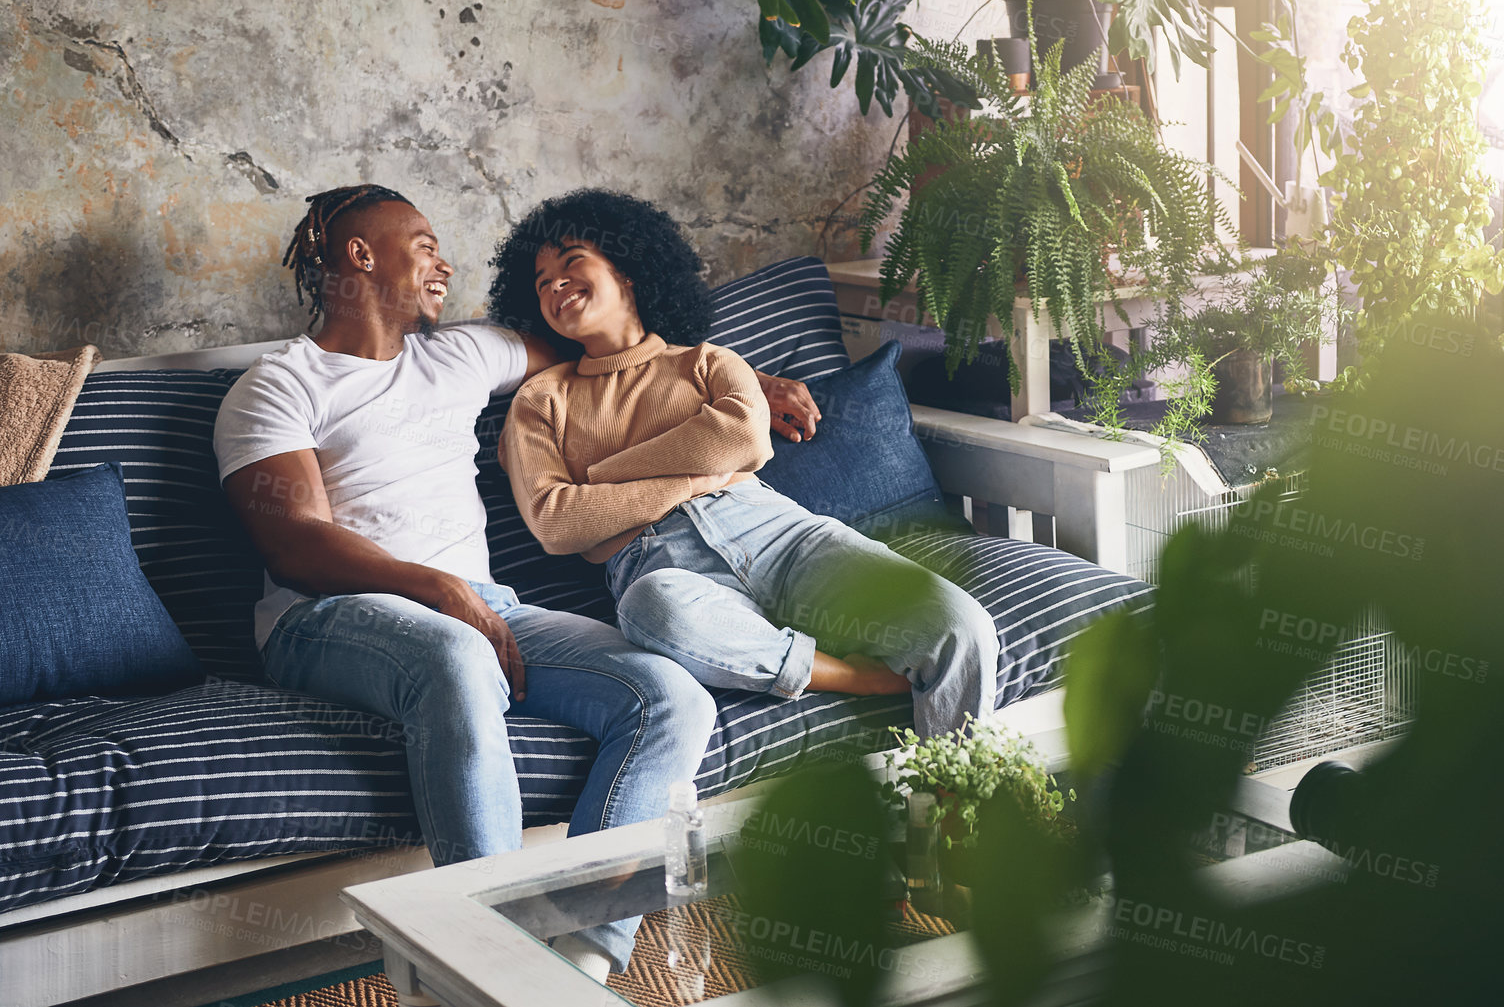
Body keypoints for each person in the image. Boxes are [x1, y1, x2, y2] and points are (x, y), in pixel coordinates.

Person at [212, 184, 820, 979]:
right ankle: (493, 970)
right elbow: (295, 543)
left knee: (672, 698)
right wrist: (440, 590)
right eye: (425, 244)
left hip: (485, 608)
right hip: (329, 617)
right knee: (456, 657)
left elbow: (620, 356)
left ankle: (579, 964)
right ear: (361, 255)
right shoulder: (279, 384)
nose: (445, 262)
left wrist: (742, 381)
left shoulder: (464, 353)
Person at [488, 188, 1000, 736]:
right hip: (661, 568)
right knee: (651, 610)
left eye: (571, 264)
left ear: (628, 271)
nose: (556, 285)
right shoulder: (540, 400)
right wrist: (695, 474)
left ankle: (947, 806)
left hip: (780, 536)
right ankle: (854, 675)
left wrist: (602, 476)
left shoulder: (709, 361)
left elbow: (744, 440)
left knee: (960, 626)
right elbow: (557, 521)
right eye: (542, 283)